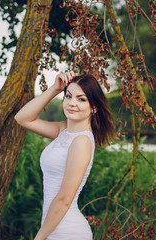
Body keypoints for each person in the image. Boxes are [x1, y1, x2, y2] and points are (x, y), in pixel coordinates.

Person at [15, 71, 115, 240]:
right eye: (68, 96)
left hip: (67, 232)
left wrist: (38, 238)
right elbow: (22, 118)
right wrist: (55, 88)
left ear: (94, 107)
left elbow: (64, 200)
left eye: (81, 99)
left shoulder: (82, 141)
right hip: (53, 227)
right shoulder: (64, 131)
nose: (72, 103)